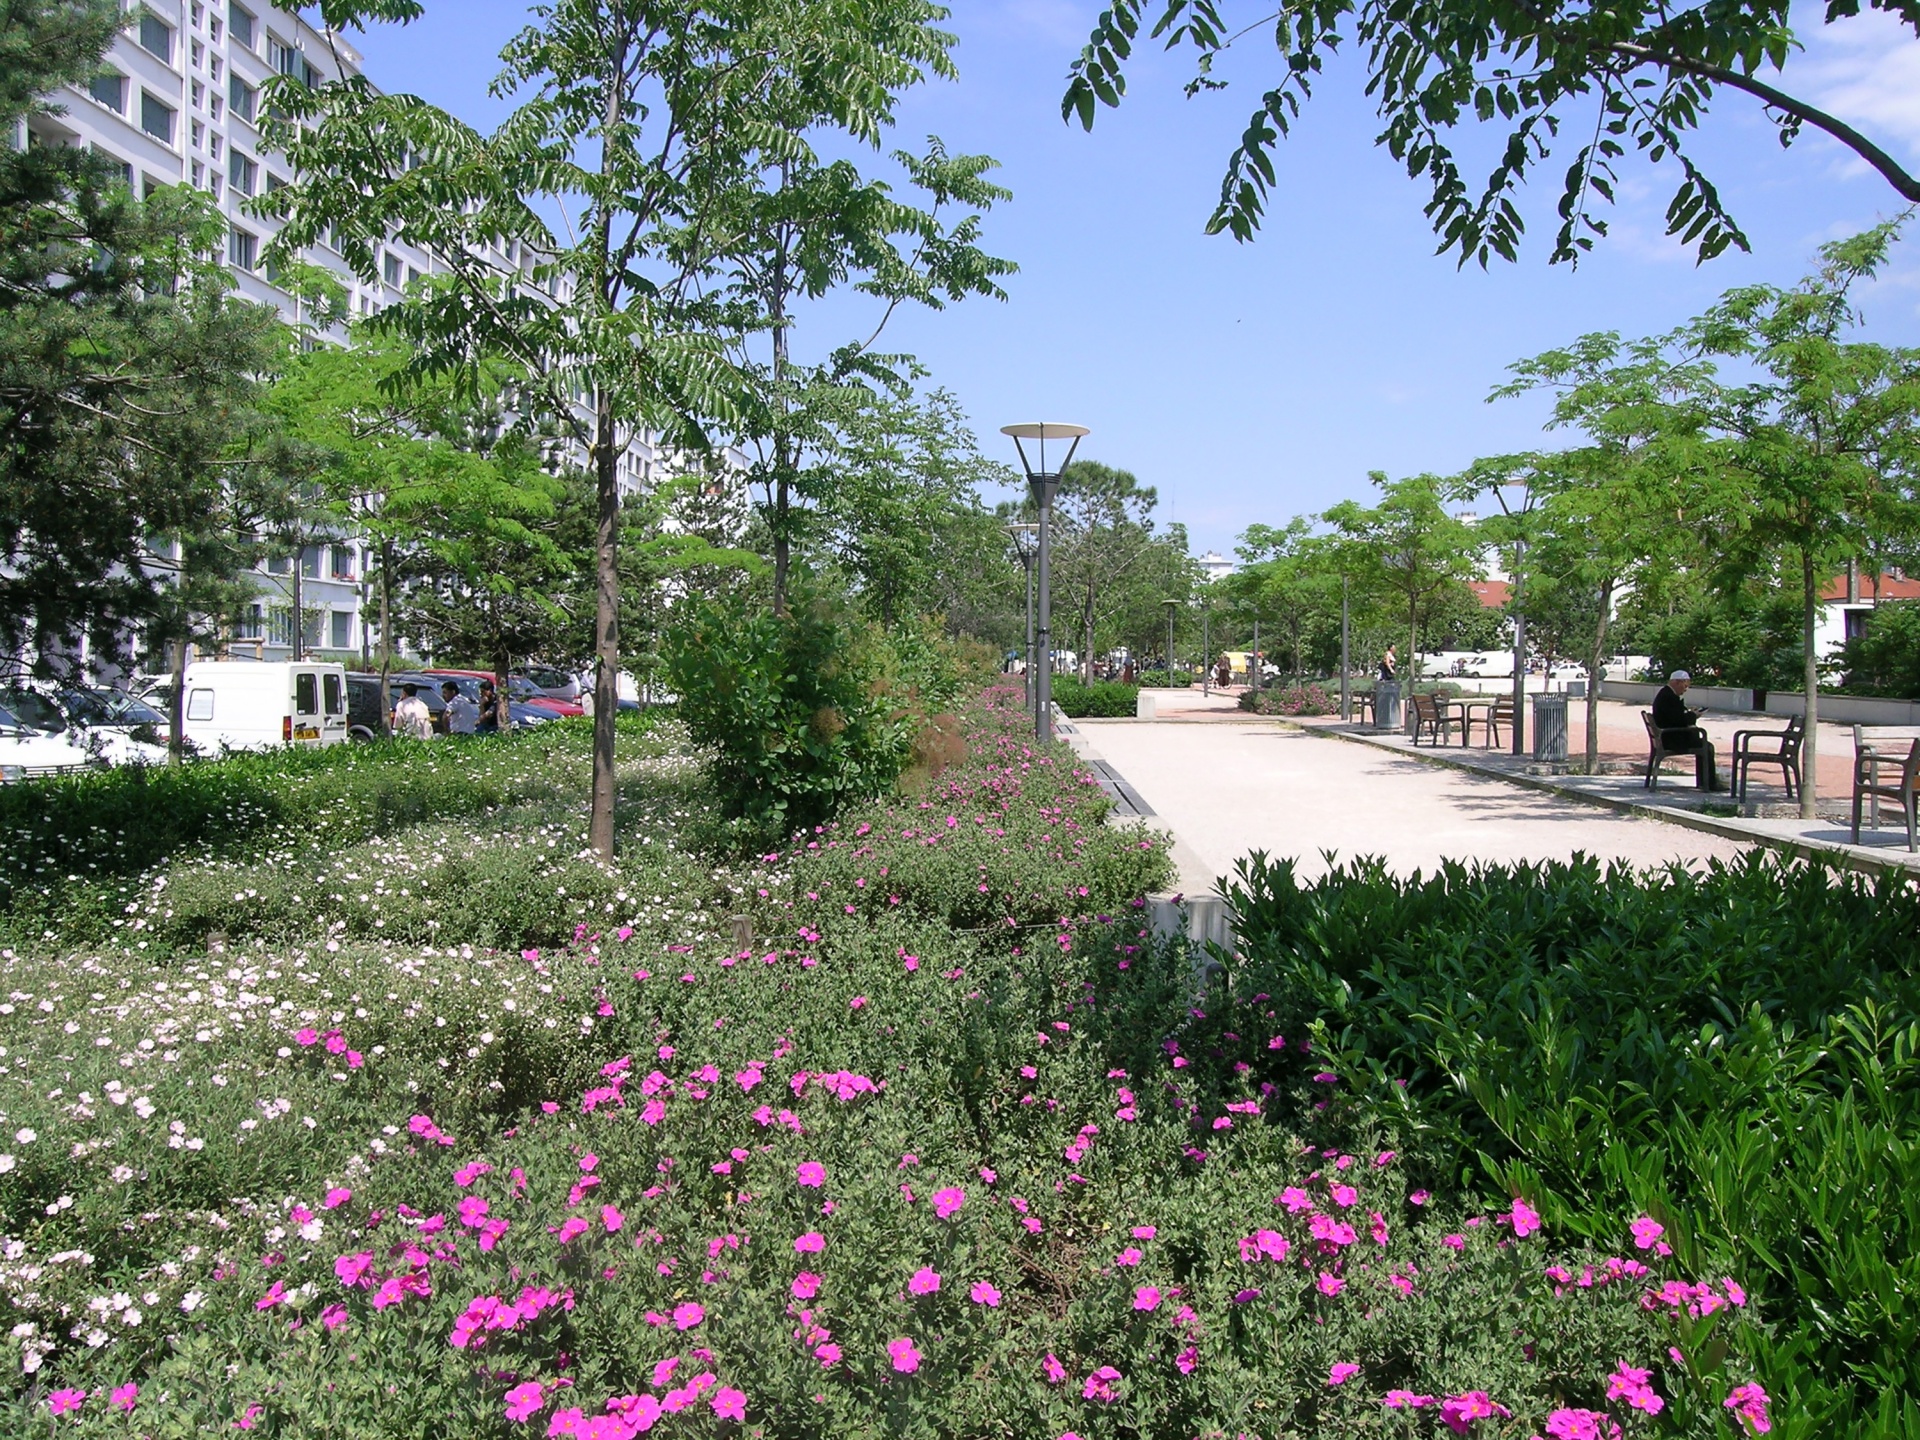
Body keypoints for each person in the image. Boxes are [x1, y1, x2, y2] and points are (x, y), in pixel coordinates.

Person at [1652, 668, 1720, 790]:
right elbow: (1676, 720)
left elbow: (1675, 717)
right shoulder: (1668, 697)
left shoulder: (1666, 694)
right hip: (1672, 739)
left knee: (1705, 744)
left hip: (1666, 737)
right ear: (1677, 682)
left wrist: (1689, 714)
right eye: (1685, 686)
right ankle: (1709, 783)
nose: (1685, 689)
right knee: (1707, 746)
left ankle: (1704, 782)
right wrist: (1693, 715)